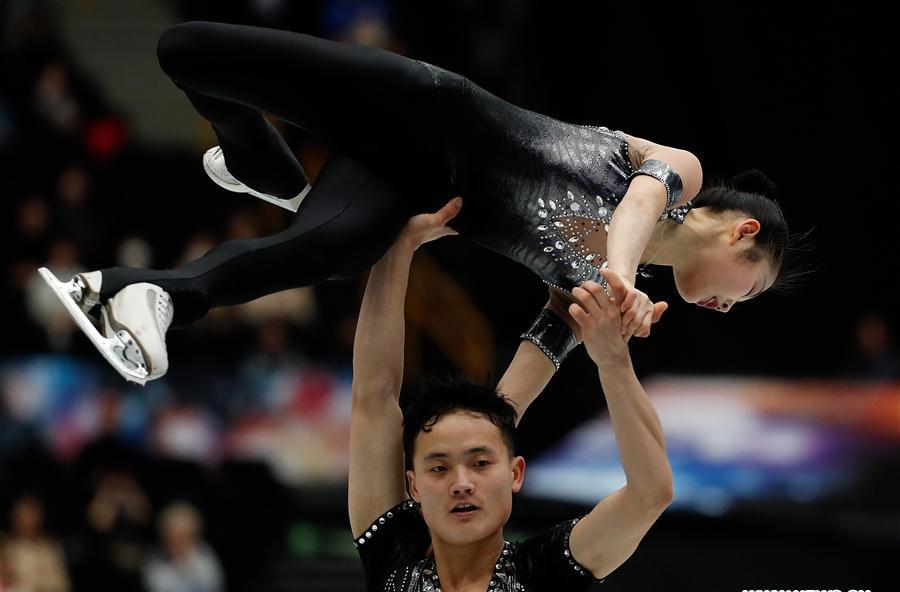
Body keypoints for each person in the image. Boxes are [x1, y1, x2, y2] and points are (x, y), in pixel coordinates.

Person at [38, 21, 795, 384]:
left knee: (327, 252)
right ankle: (249, 156)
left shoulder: (601, 295)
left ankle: (146, 293)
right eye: (750, 290)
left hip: (409, 188)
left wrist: (493, 438)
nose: (733, 307)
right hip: (420, 109)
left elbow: (524, 376)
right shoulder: (680, 176)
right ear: (741, 233)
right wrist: (622, 279)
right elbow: (633, 210)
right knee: (185, 53)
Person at [348, 198, 673, 592]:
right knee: (490, 423)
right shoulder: (392, 558)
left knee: (491, 424)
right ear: (412, 486)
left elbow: (651, 494)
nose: (461, 484)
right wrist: (399, 245)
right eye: (439, 468)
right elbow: (374, 397)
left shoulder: (547, 572)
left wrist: (613, 360)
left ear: (516, 473)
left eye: (480, 464)